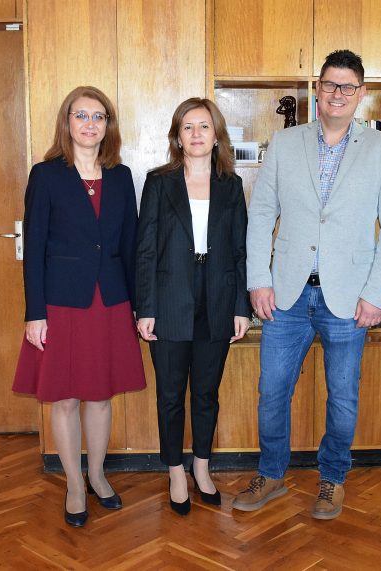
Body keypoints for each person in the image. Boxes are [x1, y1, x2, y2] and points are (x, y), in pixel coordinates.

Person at [234, 50, 381, 520]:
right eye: (330, 84)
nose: (338, 94)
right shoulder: (285, 142)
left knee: (343, 397)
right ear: (318, 89)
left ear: (361, 94)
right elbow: (261, 215)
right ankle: (271, 475)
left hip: (350, 298)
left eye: (348, 87)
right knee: (272, 392)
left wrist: (377, 294)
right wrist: (258, 280)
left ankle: (333, 479)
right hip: (285, 294)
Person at [12, 86, 146, 528]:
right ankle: (73, 483)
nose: (90, 124)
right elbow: (34, 248)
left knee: (101, 396)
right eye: (81, 115)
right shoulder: (46, 175)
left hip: (111, 301)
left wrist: (137, 306)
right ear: (67, 122)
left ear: (108, 125)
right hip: (62, 303)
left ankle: (97, 475)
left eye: (98, 116)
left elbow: (131, 246)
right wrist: (35, 313)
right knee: (66, 397)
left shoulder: (122, 176)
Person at [135, 98, 250, 516]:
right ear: (177, 137)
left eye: (204, 126)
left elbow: (240, 249)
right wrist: (145, 308)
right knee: (170, 395)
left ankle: (201, 466)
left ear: (216, 135)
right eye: (188, 127)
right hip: (169, 301)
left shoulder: (231, 185)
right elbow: (145, 250)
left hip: (217, 300)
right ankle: (175, 472)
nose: (196, 134)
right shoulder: (159, 182)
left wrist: (241, 306)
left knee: (205, 393)